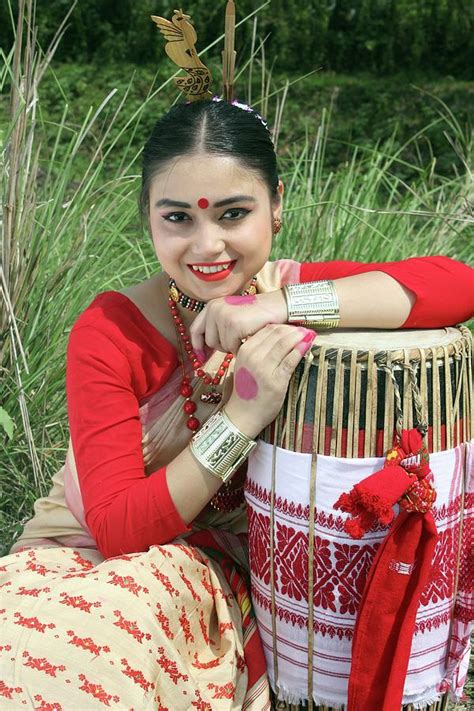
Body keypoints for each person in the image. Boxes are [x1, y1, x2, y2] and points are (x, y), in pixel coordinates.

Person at [1, 19, 473, 711]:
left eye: (233, 213)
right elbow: (119, 529)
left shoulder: (283, 294)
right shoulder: (109, 331)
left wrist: (281, 303)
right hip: (86, 557)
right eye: (178, 219)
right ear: (148, 221)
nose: (207, 244)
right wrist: (244, 414)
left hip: (201, 580)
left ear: (276, 209)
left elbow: (455, 281)